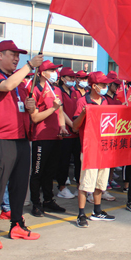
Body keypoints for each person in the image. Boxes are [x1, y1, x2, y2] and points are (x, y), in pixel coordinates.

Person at [0, 40, 43, 250]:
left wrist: (30, 106)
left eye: (19, 55)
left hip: (21, 138)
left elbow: (25, 109)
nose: (17, 59)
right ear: (0, 55)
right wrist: (30, 65)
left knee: (19, 185)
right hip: (2, 138)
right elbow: (6, 86)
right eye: (12, 54)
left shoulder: (21, 83)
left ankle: (17, 224)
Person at [72, 71, 116, 226]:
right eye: (102, 85)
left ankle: (97, 211)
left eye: (106, 85)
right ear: (94, 86)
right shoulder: (82, 101)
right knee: (86, 182)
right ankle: (81, 214)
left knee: (101, 181)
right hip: (89, 148)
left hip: (103, 147)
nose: (105, 87)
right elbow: (75, 126)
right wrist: (83, 114)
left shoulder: (104, 101)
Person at [29, 60, 68, 217]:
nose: (55, 73)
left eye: (55, 70)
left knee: (50, 172)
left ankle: (48, 200)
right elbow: (35, 118)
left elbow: (61, 112)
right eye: (51, 70)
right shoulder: (35, 90)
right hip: (41, 137)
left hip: (55, 136)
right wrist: (53, 108)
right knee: (38, 172)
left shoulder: (56, 89)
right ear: (42, 73)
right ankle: (36, 203)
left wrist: (62, 126)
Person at [56, 67, 80, 198]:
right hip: (65, 131)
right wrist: (72, 125)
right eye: (70, 77)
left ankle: (79, 187)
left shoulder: (74, 92)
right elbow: (61, 111)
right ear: (62, 78)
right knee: (63, 161)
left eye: (73, 77)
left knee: (78, 161)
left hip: (76, 132)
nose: (72, 79)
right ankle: (62, 187)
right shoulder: (58, 91)